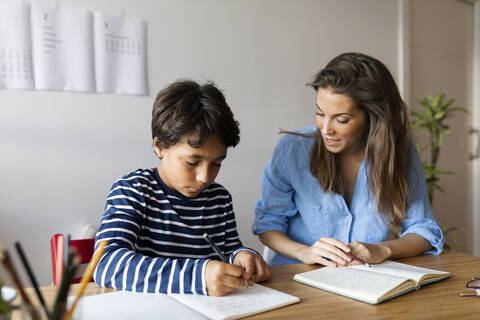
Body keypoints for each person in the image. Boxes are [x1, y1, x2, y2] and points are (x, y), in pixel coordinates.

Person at [252, 52, 444, 267]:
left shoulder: (400, 152)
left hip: (366, 280)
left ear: (374, 117)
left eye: (341, 119)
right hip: (298, 276)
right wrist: (305, 253)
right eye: (320, 113)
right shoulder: (293, 150)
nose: (325, 130)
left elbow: (423, 229)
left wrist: (383, 249)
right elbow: (268, 224)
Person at [94, 80, 271, 296]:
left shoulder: (219, 199)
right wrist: (197, 277)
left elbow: (228, 250)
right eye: (192, 162)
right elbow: (106, 264)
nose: (204, 177)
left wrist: (243, 256)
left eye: (217, 163)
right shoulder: (133, 191)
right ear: (159, 146)